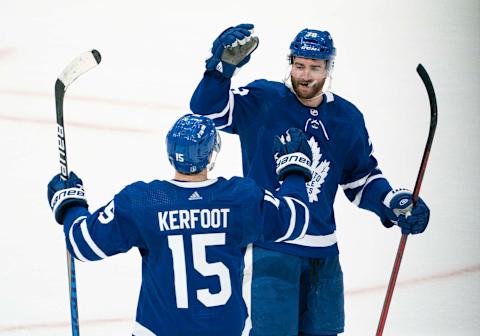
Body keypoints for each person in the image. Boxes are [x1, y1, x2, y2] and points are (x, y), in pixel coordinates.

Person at [190, 24, 431, 336]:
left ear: (328, 68)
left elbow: (361, 179)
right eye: (299, 65)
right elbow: (206, 111)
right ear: (291, 63)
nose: (305, 75)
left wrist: (392, 202)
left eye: (314, 68)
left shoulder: (347, 118)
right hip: (268, 247)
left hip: (323, 253)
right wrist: (220, 71)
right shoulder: (263, 99)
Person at [47, 114, 313, 336]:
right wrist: (293, 171)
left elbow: (82, 244)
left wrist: (71, 204)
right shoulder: (240, 198)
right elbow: (296, 219)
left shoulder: (143, 202)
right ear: (212, 153)